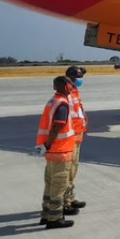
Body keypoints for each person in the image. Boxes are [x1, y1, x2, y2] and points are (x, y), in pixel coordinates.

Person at [34, 77, 78, 229]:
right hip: (60, 151)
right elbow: (57, 128)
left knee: (50, 185)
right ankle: (55, 218)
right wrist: (47, 144)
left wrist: (45, 147)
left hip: (51, 152)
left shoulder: (53, 101)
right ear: (65, 86)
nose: (73, 86)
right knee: (59, 187)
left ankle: (46, 215)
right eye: (70, 84)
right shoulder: (63, 105)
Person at [64, 66, 88, 210]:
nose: (80, 80)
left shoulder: (74, 91)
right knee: (68, 170)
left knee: (74, 169)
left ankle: (70, 198)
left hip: (77, 137)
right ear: (71, 78)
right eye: (78, 78)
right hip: (70, 137)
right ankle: (65, 202)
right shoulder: (66, 92)